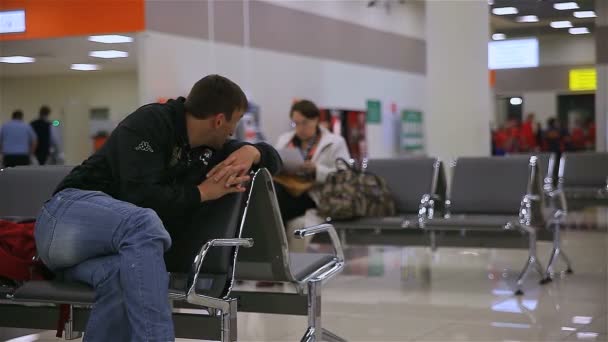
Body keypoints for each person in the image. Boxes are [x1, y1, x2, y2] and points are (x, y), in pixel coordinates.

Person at [33, 75, 281, 342]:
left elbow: (275, 161)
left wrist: (253, 152)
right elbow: (139, 197)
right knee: (143, 222)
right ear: (219, 120)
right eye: (235, 121)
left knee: (122, 276)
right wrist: (201, 193)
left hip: (101, 254)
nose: (234, 131)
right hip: (66, 216)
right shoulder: (149, 124)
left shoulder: (210, 149)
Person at [274, 100, 351, 224]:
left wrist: (316, 170)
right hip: (289, 187)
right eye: (296, 123)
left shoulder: (335, 142)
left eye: (304, 123)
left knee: (277, 205)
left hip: (316, 194)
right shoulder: (285, 140)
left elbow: (345, 175)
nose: (300, 128)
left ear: (315, 120)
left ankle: (275, 240)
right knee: (270, 195)